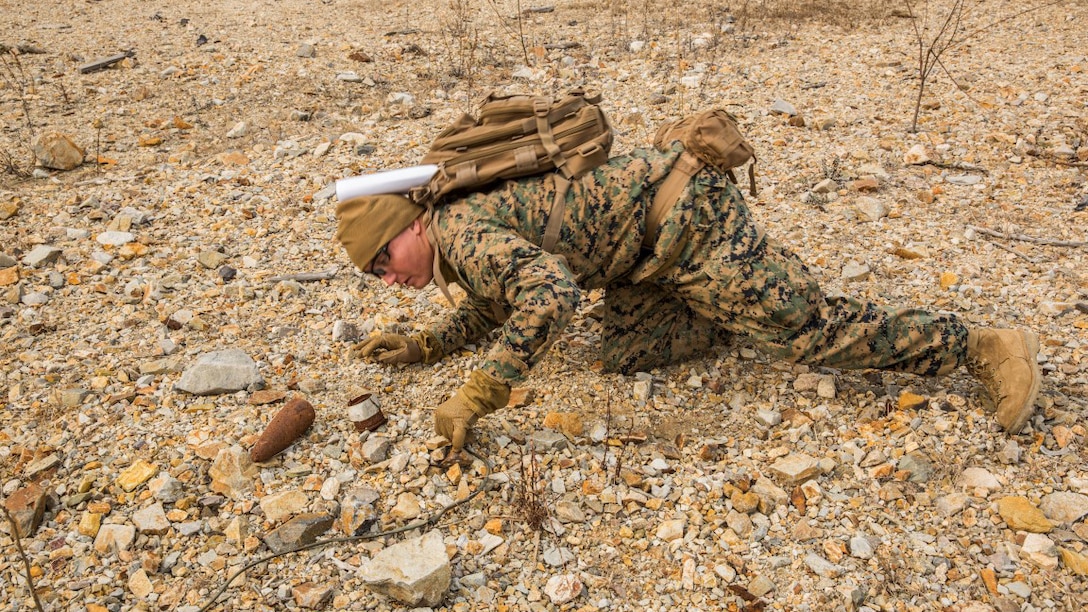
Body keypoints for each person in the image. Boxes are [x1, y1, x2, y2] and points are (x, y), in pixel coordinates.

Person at [335, 144, 1041, 455]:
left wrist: (478, 394)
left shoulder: (457, 226)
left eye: (385, 260)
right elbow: (502, 295)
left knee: (803, 335)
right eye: (375, 277)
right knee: (625, 353)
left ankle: (980, 346)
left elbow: (546, 296)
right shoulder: (457, 236)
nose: (390, 279)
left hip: (687, 217)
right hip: (645, 258)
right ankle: (747, 294)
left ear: (414, 224)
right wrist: (432, 344)